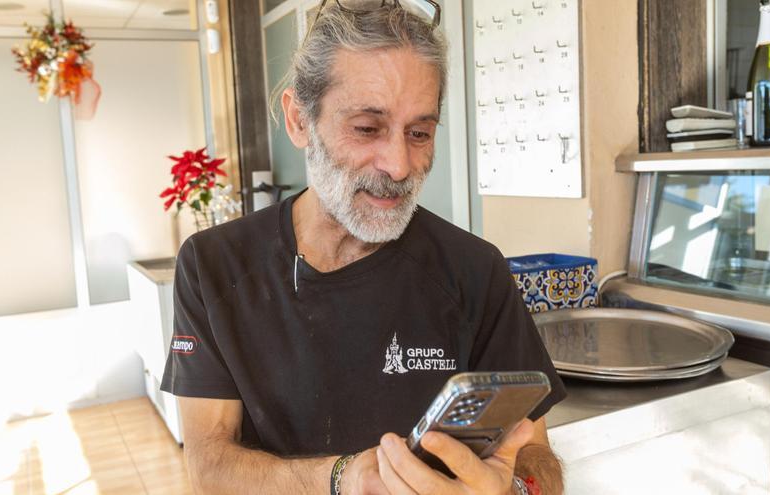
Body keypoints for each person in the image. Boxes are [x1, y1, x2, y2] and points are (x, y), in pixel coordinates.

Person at [160, 1, 567, 493]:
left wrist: (513, 491)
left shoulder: (475, 271)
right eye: (367, 128)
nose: (398, 164)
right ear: (299, 120)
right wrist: (343, 478)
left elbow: (534, 453)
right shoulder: (214, 265)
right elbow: (208, 465)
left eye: (419, 133)